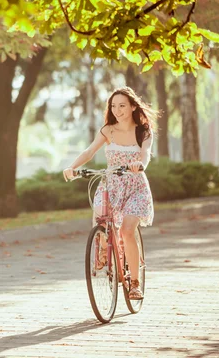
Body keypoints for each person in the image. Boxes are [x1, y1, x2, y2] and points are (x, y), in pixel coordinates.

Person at [63, 86, 158, 300]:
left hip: (135, 188)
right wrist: (72, 167)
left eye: (122, 105)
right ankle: (103, 249)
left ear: (133, 106)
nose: (117, 110)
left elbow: (146, 154)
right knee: (100, 216)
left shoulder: (143, 130)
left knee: (126, 230)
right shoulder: (108, 130)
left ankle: (134, 283)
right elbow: (89, 151)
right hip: (110, 185)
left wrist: (139, 165)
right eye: (113, 106)